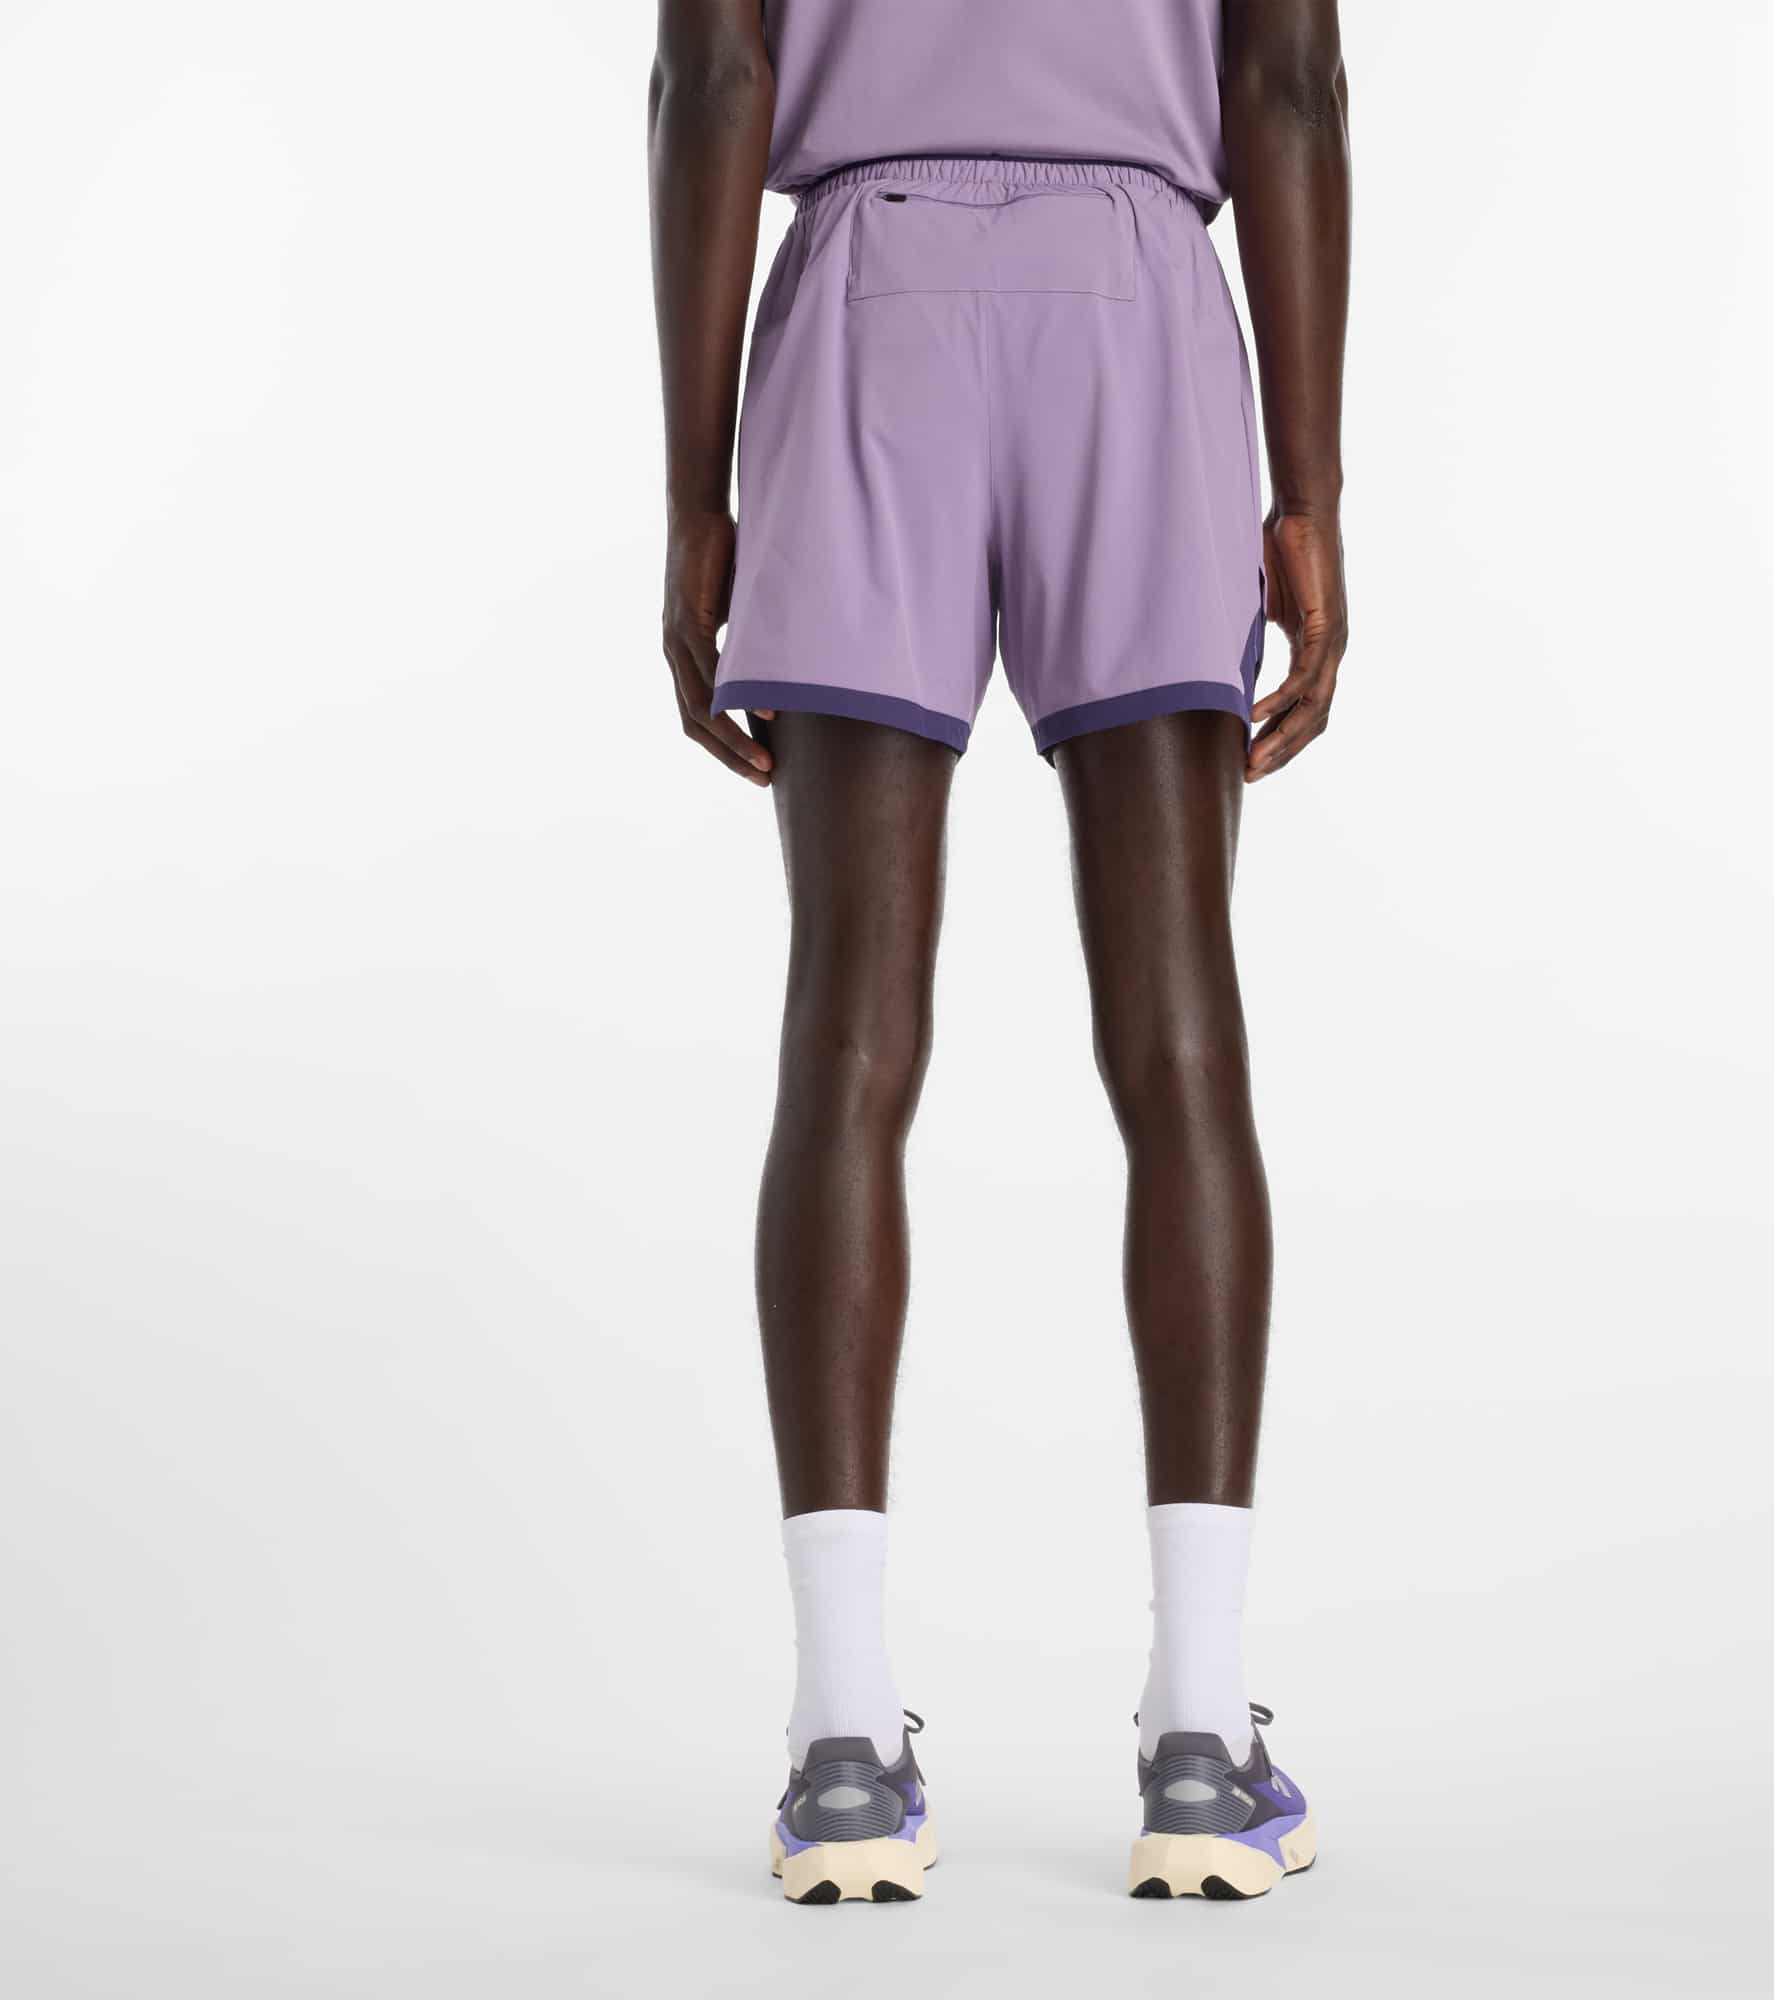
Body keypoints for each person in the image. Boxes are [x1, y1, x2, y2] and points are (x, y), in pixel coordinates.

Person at [648, 0, 1350, 1903]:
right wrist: (1308, 490)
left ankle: (842, 1747)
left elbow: (714, 76)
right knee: (1179, 1036)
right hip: (1137, 308)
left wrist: (698, 493)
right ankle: (1199, 1740)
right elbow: (1287, 78)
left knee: (847, 1040)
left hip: (865, 307)